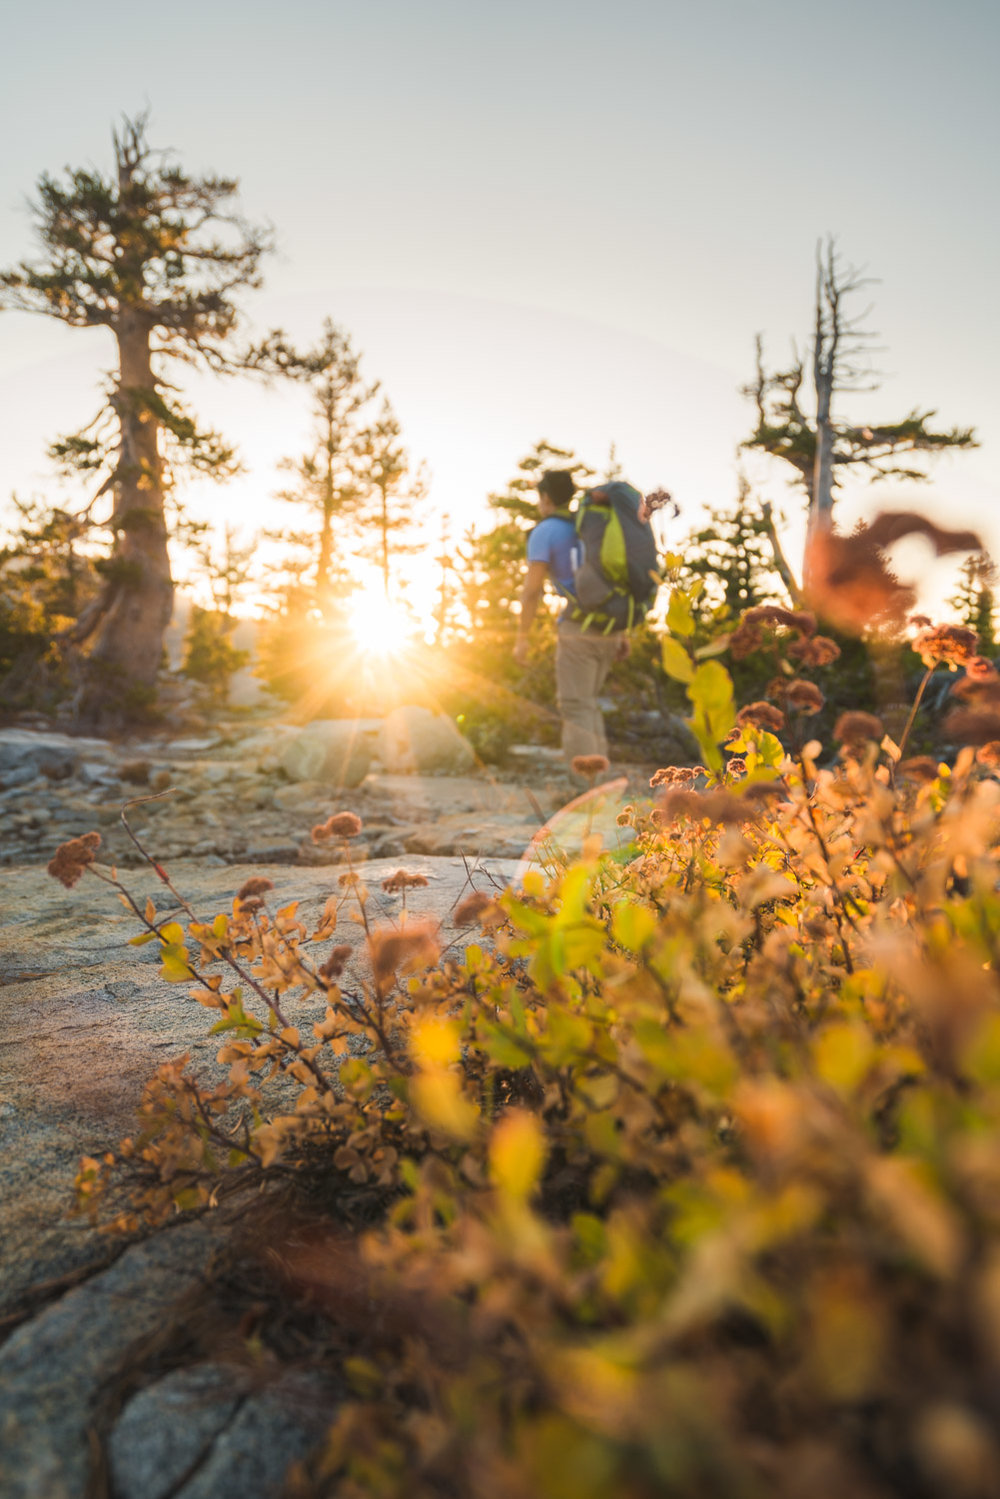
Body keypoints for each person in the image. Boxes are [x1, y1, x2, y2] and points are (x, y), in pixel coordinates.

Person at [513, 468, 629, 767]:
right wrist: (623, 632)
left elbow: (531, 592)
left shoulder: (546, 531)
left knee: (576, 707)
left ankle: (586, 792)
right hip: (610, 626)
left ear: (546, 497)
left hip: (579, 627)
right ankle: (603, 788)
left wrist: (522, 638)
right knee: (588, 704)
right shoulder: (588, 526)